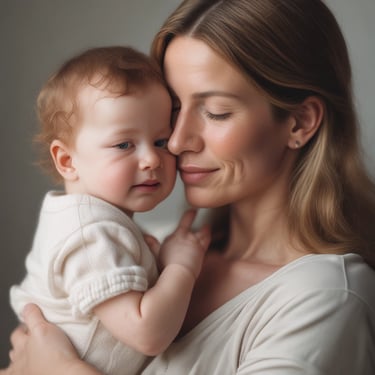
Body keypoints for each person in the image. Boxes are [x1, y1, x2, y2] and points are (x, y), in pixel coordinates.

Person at [2, 0, 375, 374]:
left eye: (215, 112)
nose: (177, 142)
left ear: (299, 122)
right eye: (174, 110)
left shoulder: (326, 298)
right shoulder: (153, 246)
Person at [7, 46, 210, 375]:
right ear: (67, 161)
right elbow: (146, 333)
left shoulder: (96, 224)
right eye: (124, 145)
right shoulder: (90, 235)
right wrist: (181, 267)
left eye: (161, 141)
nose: (151, 159)